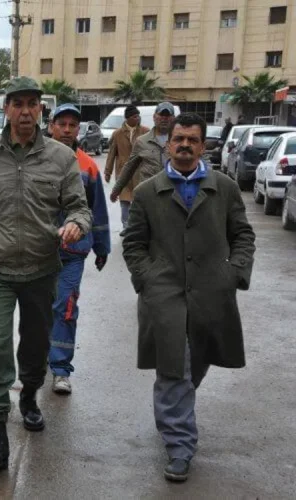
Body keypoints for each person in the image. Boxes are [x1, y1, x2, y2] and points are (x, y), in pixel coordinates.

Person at [0, 77, 92, 470]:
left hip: (41, 269)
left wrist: (77, 226)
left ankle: (30, 395)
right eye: (18, 104)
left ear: (41, 110)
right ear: (6, 109)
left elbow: (79, 207)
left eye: (33, 104)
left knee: (34, 346)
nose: (25, 111)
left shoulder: (60, 158)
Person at [122, 112, 255, 482]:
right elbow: (133, 244)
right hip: (164, 296)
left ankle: (172, 410)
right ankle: (180, 446)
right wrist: (147, 279)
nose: (183, 146)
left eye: (191, 140)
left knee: (195, 362)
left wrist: (234, 273)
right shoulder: (149, 192)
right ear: (168, 143)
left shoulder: (224, 188)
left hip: (211, 296)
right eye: (178, 139)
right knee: (175, 369)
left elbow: (243, 235)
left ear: (202, 145)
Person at [46, 104, 110, 395]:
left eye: (73, 124)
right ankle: (36, 363)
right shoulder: (36, 161)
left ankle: (60, 369)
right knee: (40, 310)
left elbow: (97, 209)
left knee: (66, 308)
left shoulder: (87, 166)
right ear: (51, 126)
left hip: (73, 252)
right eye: (62, 124)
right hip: (37, 251)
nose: (68, 129)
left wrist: (102, 247)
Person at [110, 102, 176, 204]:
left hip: (173, 195)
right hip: (148, 196)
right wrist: (116, 190)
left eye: (168, 116)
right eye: (161, 115)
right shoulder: (142, 141)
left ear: (173, 118)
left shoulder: (180, 141)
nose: (164, 118)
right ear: (154, 117)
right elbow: (129, 167)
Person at [104, 105, 150, 233]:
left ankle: (137, 225)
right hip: (123, 172)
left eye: (138, 116)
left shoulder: (145, 131)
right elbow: (111, 153)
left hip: (140, 171)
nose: (138, 118)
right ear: (128, 118)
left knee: (138, 200)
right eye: (135, 116)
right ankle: (126, 226)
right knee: (124, 201)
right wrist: (108, 171)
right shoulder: (117, 134)